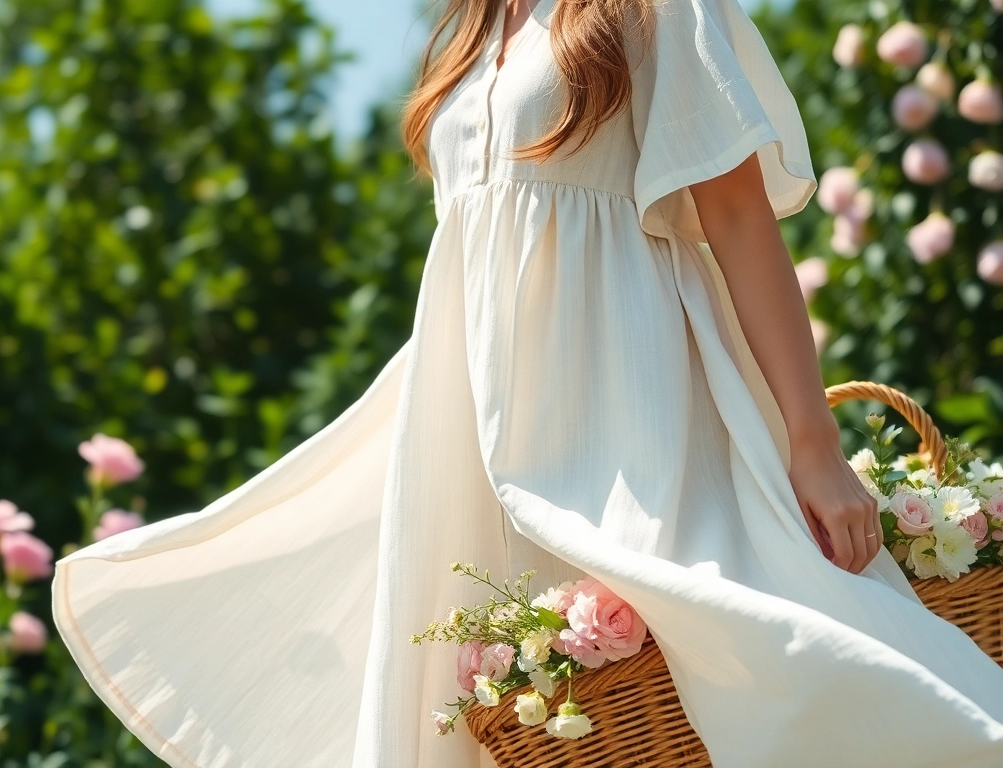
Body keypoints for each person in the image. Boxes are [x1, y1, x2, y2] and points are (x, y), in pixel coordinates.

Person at [52, 0, 1003, 765]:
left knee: (748, 648)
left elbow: (742, 222)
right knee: (504, 716)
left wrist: (812, 441)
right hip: (471, 426)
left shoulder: (658, 11)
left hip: (632, 412)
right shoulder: (471, 31)